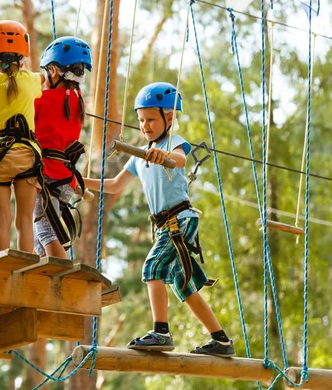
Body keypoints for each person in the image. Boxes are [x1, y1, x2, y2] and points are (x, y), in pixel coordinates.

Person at [83, 82, 235, 356]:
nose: (145, 125)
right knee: (183, 286)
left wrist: (163, 154)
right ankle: (221, 339)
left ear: (169, 117)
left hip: (180, 220)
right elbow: (114, 185)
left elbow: (180, 160)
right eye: (141, 120)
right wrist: (79, 181)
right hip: (167, 224)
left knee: (152, 268)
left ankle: (161, 332)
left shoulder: (172, 143)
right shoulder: (140, 158)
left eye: (151, 119)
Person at [0, 20, 44, 253]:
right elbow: (41, 82)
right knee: (25, 221)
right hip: (26, 154)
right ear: (22, 59)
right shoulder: (31, 81)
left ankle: (0, 265)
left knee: (1, 219)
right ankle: (26, 264)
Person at [33, 36, 92, 258]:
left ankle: (61, 273)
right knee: (43, 234)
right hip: (67, 180)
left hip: (48, 174)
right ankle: (45, 275)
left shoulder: (42, 99)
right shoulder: (78, 102)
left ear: (54, 71)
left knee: (45, 230)